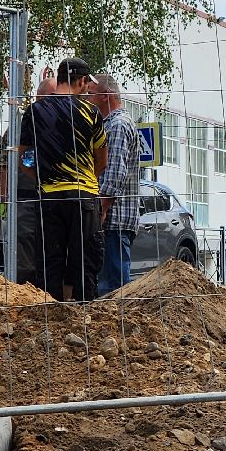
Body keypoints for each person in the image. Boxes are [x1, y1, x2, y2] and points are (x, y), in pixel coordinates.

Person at [21, 57, 106, 301]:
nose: (87, 89)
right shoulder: (91, 113)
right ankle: (85, 318)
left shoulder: (34, 112)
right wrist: (86, 177)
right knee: (85, 264)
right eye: (86, 85)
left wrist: (43, 178)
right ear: (81, 81)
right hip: (84, 197)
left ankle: (51, 318)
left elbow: (25, 159)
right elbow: (102, 160)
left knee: (50, 264)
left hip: (49, 196)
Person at [89, 72, 141, 295]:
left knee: (113, 289)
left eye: (90, 94)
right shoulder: (112, 124)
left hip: (114, 221)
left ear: (105, 96)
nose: (87, 99)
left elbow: (114, 174)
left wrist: (100, 210)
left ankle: (118, 327)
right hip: (115, 220)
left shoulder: (117, 126)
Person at [2, 69, 54, 288]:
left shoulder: (58, 126)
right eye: (52, 98)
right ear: (39, 98)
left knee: (50, 259)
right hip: (24, 201)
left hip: (51, 202)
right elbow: (4, 164)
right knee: (23, 259)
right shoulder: (19, 128)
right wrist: (5, 198)